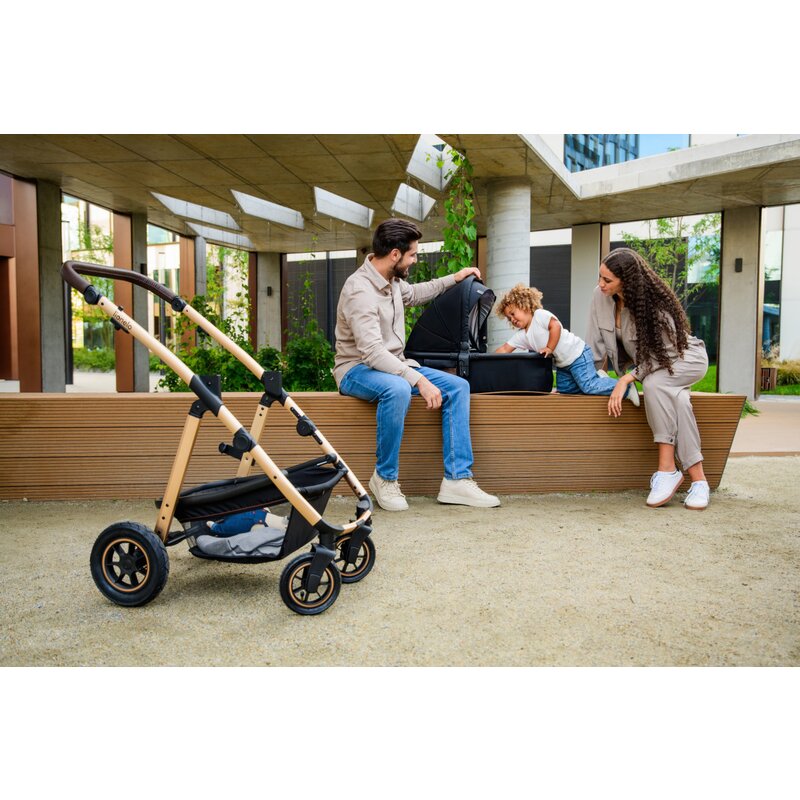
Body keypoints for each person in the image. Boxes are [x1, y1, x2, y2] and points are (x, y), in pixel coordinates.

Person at [334, 218, 500, 512]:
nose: (415, 260)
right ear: (395, 254)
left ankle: (457, 480)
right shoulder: (359, 290)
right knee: (398, 389)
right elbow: (371, 352)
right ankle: (384, 478)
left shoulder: (393, 282)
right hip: (356, 369)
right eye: (412, 254)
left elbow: (418, 293)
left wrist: (456, 277)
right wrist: (419, 380)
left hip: (394, 366)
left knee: (458, 387)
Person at [586, 247, 710, 510]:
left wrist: (626, 379)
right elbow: (594, 343)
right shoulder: (600, 296)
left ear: (627, 281)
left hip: (685, 359)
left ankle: (666, 469)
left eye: (607, 280)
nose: (601, 284)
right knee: (679, 400)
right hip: (654, 368)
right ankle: (699, 481)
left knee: (654, 384)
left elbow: (667, 353)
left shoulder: (654, 304)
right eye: (600, 277)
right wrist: (587, 380)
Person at [494, 283, 640, 405]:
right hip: (563, 364)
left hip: (577, 354)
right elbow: (506, 348)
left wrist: (549, 347)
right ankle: (600, 379)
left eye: (513, 314)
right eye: (508, 318)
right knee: (566, 390)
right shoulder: (522, 335)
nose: (512, 319)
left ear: (524, 305)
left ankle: (626, 387)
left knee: (588, 386)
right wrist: (489, 361)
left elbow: (555, 326)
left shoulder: (539, 316)